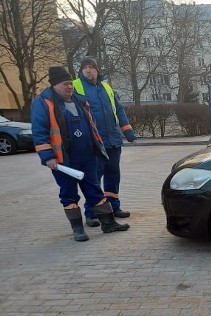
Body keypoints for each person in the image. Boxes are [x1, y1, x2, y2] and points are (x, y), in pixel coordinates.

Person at [31, 66, 130, 241]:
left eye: (70, 83)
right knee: (69, 194)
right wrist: (48, 157)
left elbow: (92, 127)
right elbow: (39, 132)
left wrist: (98, 148)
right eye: (65, 84)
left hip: (87, 156)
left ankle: (108, 224)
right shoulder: (44, 102)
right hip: (63, 159)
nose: (69, 87)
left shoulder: (79, 101)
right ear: (54, 85)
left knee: (95, 190)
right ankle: (77, 229)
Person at [73, 56, 137, 227]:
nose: (88, 70)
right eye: (85, 67)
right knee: (93, 178)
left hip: (113, 139)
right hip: (94, 141)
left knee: (113, 175)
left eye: (91, 67)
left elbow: (118, 109)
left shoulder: (106, 87)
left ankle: (114, 207)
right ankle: (91, 212)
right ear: (81, 70)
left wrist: (128, 131)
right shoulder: (76, 87)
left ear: (97, 69)